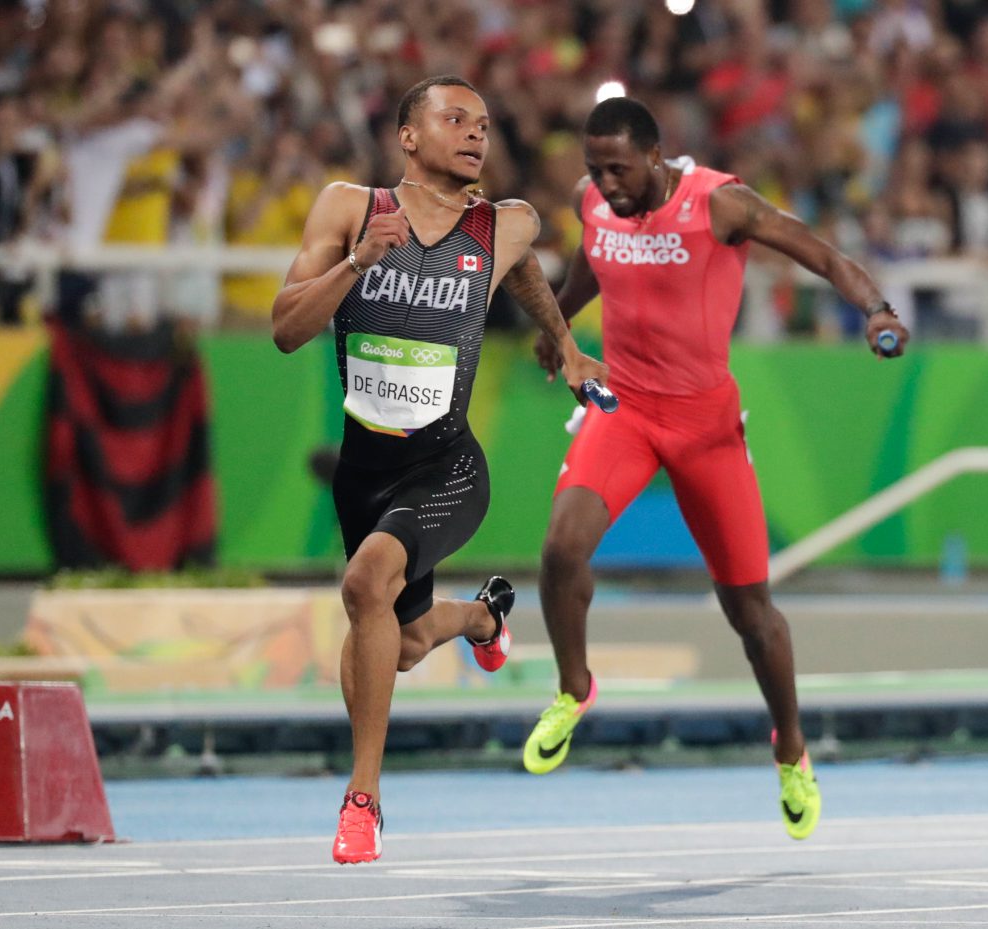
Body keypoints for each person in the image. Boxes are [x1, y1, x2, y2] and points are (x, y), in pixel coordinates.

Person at [525, 96, 909, 841]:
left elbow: (823, 255)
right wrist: (558, 323)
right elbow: (589, 269)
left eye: (619, 169)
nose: (606, 184)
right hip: (624, 410)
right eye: (595, 170)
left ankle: (791, 748)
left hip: (705, 429)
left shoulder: (720, 204)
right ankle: (575, 688)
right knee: (561, 548)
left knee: (750, 613)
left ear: (655, 156)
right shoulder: (594, 203)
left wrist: (877, 310)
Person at [273, 75, 607, 865]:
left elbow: (520, 270)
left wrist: (566, 346)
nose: (476, 133)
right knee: (406, 637)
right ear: (408, 136)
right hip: (364, 472)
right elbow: (286, 329)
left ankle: (363, 799)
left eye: (484, 123)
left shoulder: (505, 223)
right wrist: (357, 263)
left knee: (366, 584)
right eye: (455, 119)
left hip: (447, 466)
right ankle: (480, 619)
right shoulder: (349, 209)